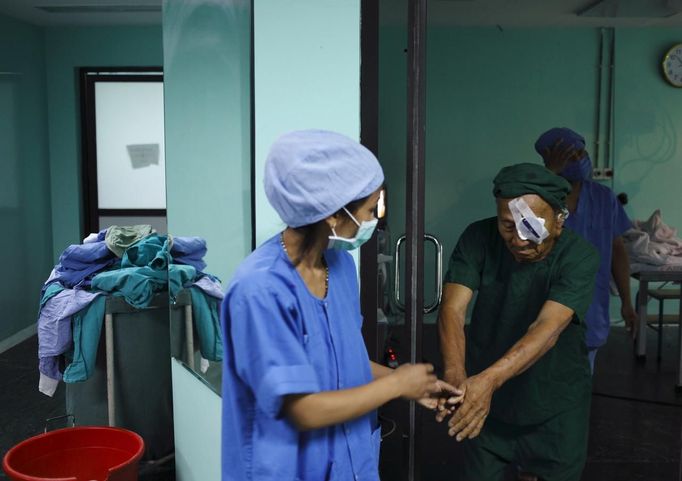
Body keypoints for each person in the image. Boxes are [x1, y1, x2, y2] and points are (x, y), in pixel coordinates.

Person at [220, 129, 461, 481]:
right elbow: (300, 408)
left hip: (348, 463)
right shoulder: (260, 290)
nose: (376, 217)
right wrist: (395, 386)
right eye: (371, 207)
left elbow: (341, 361)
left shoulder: (340, 266)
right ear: (332, 214)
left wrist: (408, 383)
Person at [437, 163, 599, 481]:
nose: (519, 240)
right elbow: (453, 310)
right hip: (489, 399)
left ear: (559, 222)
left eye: (532, 228)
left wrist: (487, 382)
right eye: (508, 226)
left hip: (553, 401)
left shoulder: (579, 256)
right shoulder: (478, 238)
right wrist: (457, 374)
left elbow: (546, 328)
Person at [535, 127, 636, 372]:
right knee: (542, 367)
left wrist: (626, 301)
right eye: (570, 156)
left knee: (582, 376)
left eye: (582, 153)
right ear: (550, 159)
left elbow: (617, 250)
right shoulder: (540, 197)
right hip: (545, 299)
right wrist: (550, 175)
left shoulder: (603, 198)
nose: (580, 160)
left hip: (592, 303)